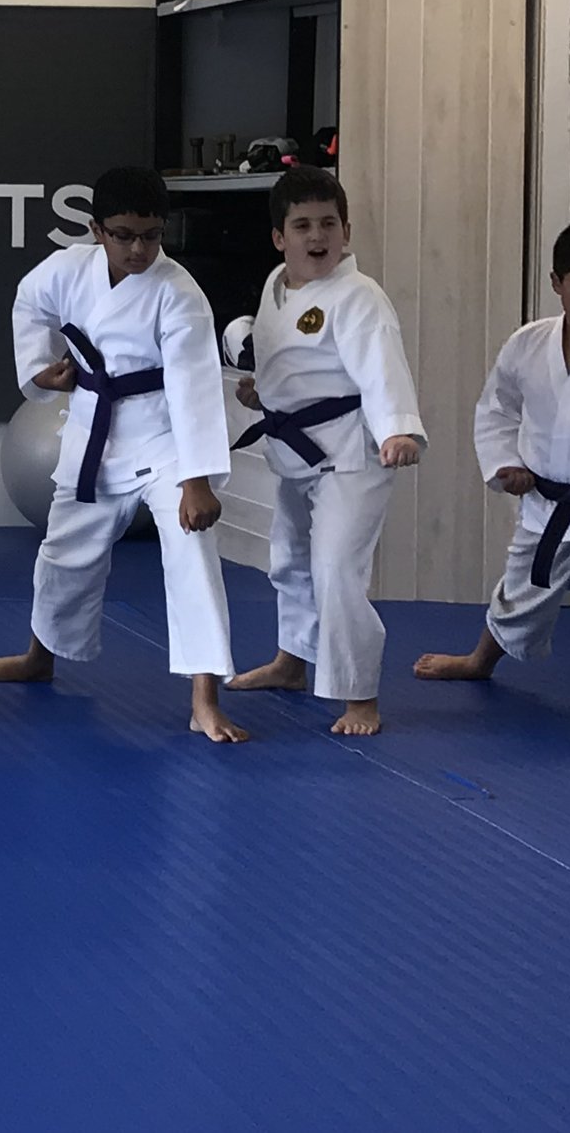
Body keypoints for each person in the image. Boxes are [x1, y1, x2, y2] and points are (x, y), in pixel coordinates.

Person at [0, 166, 247, 742]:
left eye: (150, 234)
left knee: (193, 556)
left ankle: (204, 698)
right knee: (63, 555)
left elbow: (194, 386)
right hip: (95, 430)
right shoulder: (68, 271)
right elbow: (27, 304)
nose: (139, 248)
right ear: (96, 229)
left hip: (165, 440)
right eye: (123, 234)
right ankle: (39, 657)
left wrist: (197, 480)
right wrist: (40, 368)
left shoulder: (180, 294)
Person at [415, 216, 570, 736]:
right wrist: (506, 465)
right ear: (557, 284)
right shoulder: (527, 344)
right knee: (522, 588)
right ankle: (481, 660)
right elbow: (496, 410)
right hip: (550, 497)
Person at [223, 168, 423, 734]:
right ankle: (292, 661)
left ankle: (360, 695)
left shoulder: (360, 298)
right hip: (293, 451)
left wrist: (396, 431)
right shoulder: (276, 285)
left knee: (336, 569)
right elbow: (291, 357)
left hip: (351, 456)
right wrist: (263, 386)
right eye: (303, 225)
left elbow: (381, 369)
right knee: (288, 559)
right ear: (279, 238)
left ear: (347, 231)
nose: (318, 236)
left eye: (328, 224)